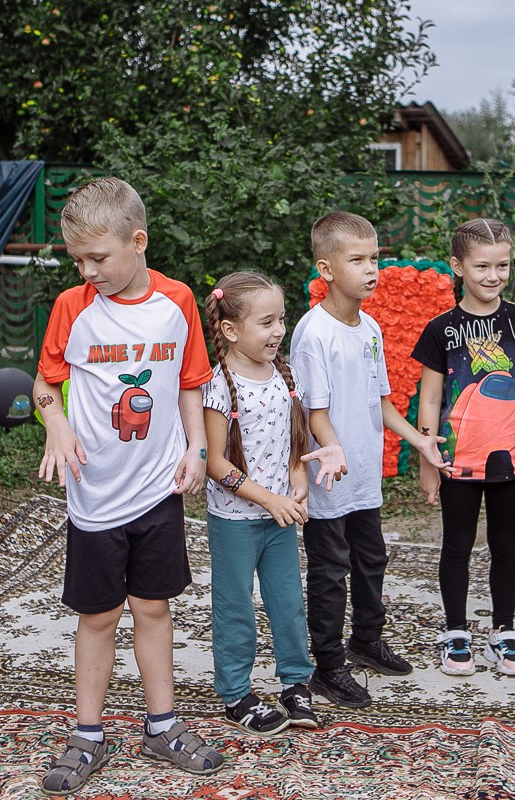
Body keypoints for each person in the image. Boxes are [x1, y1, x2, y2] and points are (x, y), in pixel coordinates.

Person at [34, 177, 223, 794]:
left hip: (158, 487)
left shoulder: (179, 302)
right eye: (79, 261)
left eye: (99, 258)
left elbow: (191, 382)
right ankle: (88, 735)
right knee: (98, 615)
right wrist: (54, 425)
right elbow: (44, 384)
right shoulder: (73, 306)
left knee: (153, 607)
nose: (89, 271)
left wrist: (196, 447)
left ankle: (162, 725)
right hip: (93, 494)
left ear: (137, 241)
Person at [290, 211, 449, 708]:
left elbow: (381, 404)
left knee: (371, 559)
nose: (370, 269)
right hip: (327, 480)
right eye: (356, 259)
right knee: (329, 571)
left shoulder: (372, 328)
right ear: (327, 269)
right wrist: (332, 450)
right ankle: (328, 665)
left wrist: (418, 440)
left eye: (374, 258)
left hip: (363, 477)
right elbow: (312, 414)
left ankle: (366, 641)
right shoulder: (313, 333)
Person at [412, 219, 515, 677]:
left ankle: (504, 630)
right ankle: (455, 632)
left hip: (512, 454)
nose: (493, 276)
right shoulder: (440, 329)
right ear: (458, 266)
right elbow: (430, 397)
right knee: (457, 543)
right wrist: (428, 459)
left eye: (503, 265)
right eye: (482, 266)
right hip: (457, 458)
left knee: (506, 544)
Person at [202, 271, 333, 734]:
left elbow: (294, 438)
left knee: (287, 603)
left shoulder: (283, 373)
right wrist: (269, 499)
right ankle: (235, 694)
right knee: (235, 606)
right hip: (236, 521)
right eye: (266, 322)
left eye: (281, 319)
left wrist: (298, 480)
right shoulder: (219, 386)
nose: (278, 330)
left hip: (279, 517)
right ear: (231, 330)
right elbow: (216, 464)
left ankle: (296, 683)